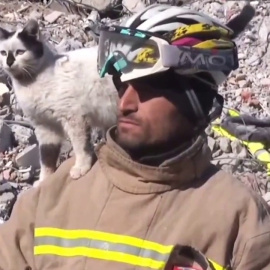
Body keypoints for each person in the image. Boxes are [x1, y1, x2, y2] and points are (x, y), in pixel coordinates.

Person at [0, 4, 270, 270]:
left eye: (147, 87)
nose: (125, 103)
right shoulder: (49, 198)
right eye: (121, 85)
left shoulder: (240, 222)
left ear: (195, 99)